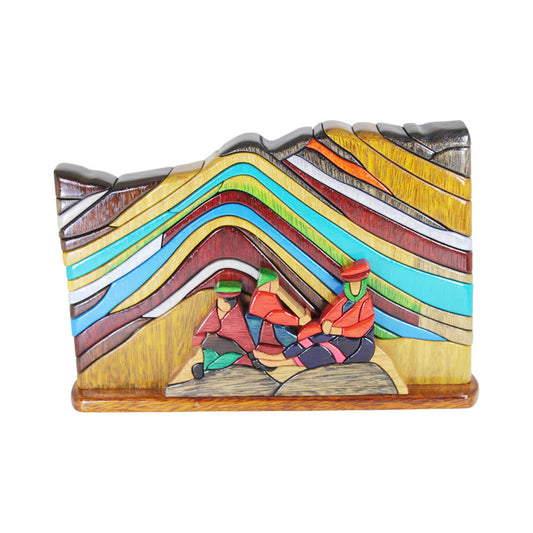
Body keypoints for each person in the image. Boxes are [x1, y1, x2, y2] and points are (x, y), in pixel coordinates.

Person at [255, 259, 375, 369]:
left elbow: (361, 329)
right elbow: (331, 315)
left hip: (356, 346)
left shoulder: (365, 303)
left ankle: (281, 362)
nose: (354, 288)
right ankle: (280, 356)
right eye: (351, 284)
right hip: (337, 337)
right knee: (311, 338)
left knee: (318, 350)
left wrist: (337, 330)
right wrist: (327, 323)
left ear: (363, 285)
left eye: (357, 284)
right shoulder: (345, 300)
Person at [168, 280, 255, 384]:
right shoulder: (215, 311)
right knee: (209, 354)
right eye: (220, 299)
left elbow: (244, 338)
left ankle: (207, 368)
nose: (220, 302)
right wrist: (197, 342)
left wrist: (250, 352)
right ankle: (205, 367)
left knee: (228, 358)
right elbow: (202, 330)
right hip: (214, 346)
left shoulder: (236, 316)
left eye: (224, 300)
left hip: (235, 350)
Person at [247, 268, 312, 365]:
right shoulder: (264, 297)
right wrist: (298, 321)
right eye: (275, 283)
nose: (277, 286)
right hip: (267, 329)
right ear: (268, 284)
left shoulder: (265, 294)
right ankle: (271, 358)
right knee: (296, 342)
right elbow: (276, 316)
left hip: (271, 326)